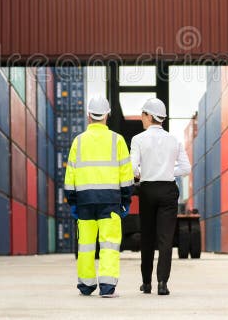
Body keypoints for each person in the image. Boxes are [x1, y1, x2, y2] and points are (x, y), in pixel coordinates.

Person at [64, 95, 133, 298]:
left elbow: (70, 175)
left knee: (85, 245)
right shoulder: (117, 140)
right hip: (110, 201)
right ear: (107, 115)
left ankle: (86, 285)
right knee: (109, 244)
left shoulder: (78, 141)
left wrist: (72, 202)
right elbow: (126, 175)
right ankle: (107, 287)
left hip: (84, 202)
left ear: (89, 115)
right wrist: (126, 200)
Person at [130, 97, 191, 296]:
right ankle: (162, 283)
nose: (141, 118)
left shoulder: (138, 139)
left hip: (147, 190)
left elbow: (132, 168)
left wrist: (143, 173)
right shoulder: (174, 140)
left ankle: (146, 283)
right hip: (168, 191)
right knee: (165, 239)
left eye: (142, 114)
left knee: (147, 237)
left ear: (149, 116)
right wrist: (168, 171)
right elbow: (186, 168)